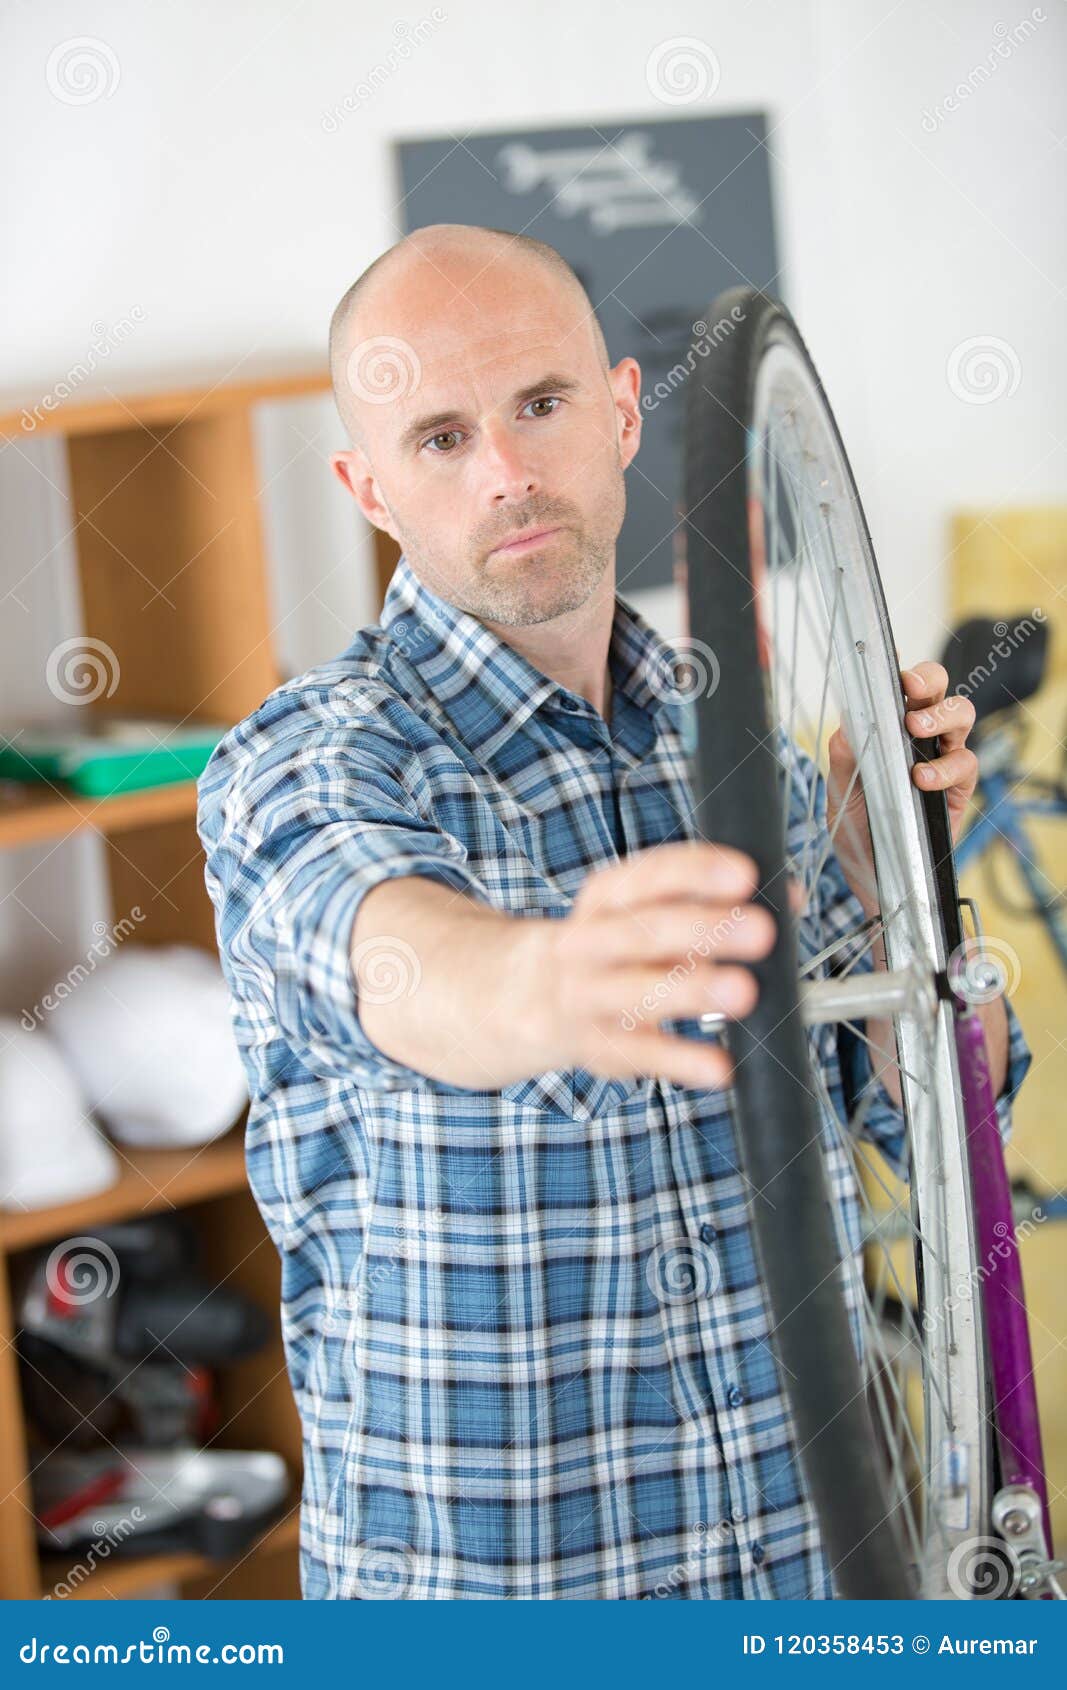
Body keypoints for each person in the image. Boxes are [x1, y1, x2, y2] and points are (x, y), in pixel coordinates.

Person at [196, 224, 1030, 1600]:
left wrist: (894, 901)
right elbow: (406, 963)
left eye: (540, 404)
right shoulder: (306, 759)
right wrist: (551, 984)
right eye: (441, 438)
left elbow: (950, 1118)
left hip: (809, 1578)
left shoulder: (738, 752)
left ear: (625, 410)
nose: (509, 474)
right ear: (367, 486)